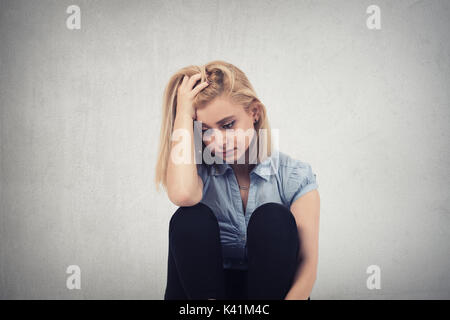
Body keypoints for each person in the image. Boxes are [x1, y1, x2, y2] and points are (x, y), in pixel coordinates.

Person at [155, 60, 320, 300]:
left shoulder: (294, 175)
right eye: (205, 131)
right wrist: (182, 114)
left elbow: (307, 267)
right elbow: (182, 195)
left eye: (228, 125)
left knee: (274, 218)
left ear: (254, 113)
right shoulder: (196, 172)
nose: (217, 140)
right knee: (189, 218)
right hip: (202, 296)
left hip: (267, 296)